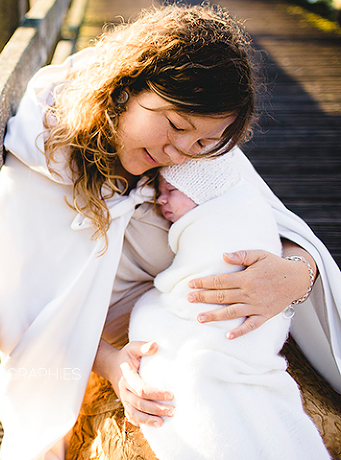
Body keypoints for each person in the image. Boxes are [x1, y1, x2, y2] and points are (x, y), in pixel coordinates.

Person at [0, 2, 341, 460]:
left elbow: (261, 217)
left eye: (204, 142)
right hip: (111, 348)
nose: (179, 151)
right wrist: (112, 365)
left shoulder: (197, 148)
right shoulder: (40, 172)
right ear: (123, 87)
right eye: (173, 125)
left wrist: (296, 273)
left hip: (215, 329)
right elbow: (35, 313)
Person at [128, 155, 330, 459]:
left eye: (172, 190)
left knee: (199, 363)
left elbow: (195, 281)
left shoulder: (227, 213)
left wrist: (298, 273)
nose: (161, 200)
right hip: (202, 329)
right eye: (160, 190)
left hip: (238, 328)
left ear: (200, 190)